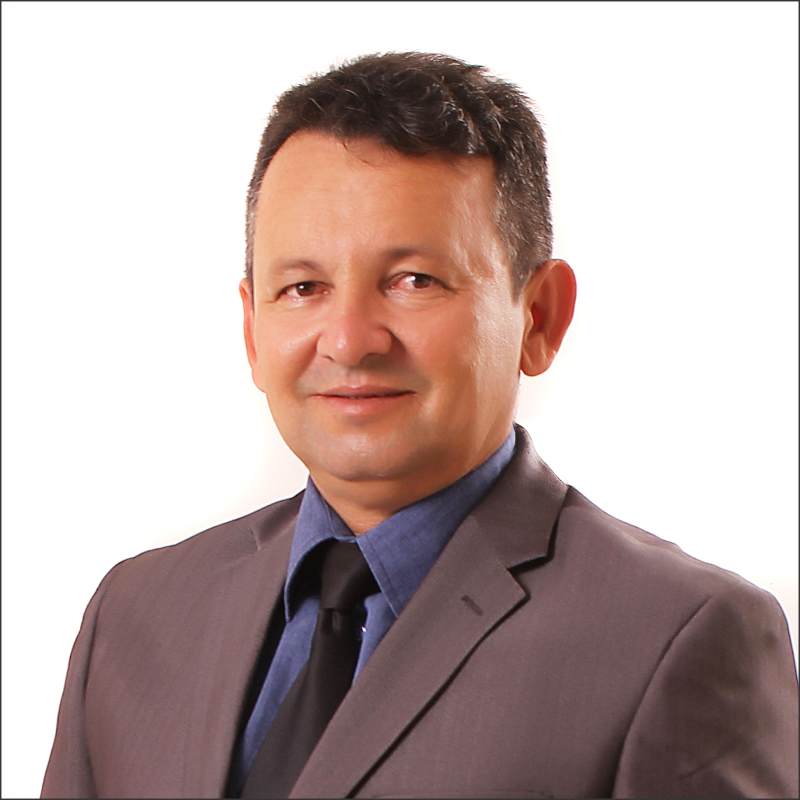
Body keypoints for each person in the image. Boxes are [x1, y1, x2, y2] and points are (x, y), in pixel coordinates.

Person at [42, 51, 798, 800]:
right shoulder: (136, 615)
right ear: (251, 328)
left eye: (414, 281)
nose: (349, 340)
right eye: (302, 287)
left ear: (539, 317)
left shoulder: (677, 638)